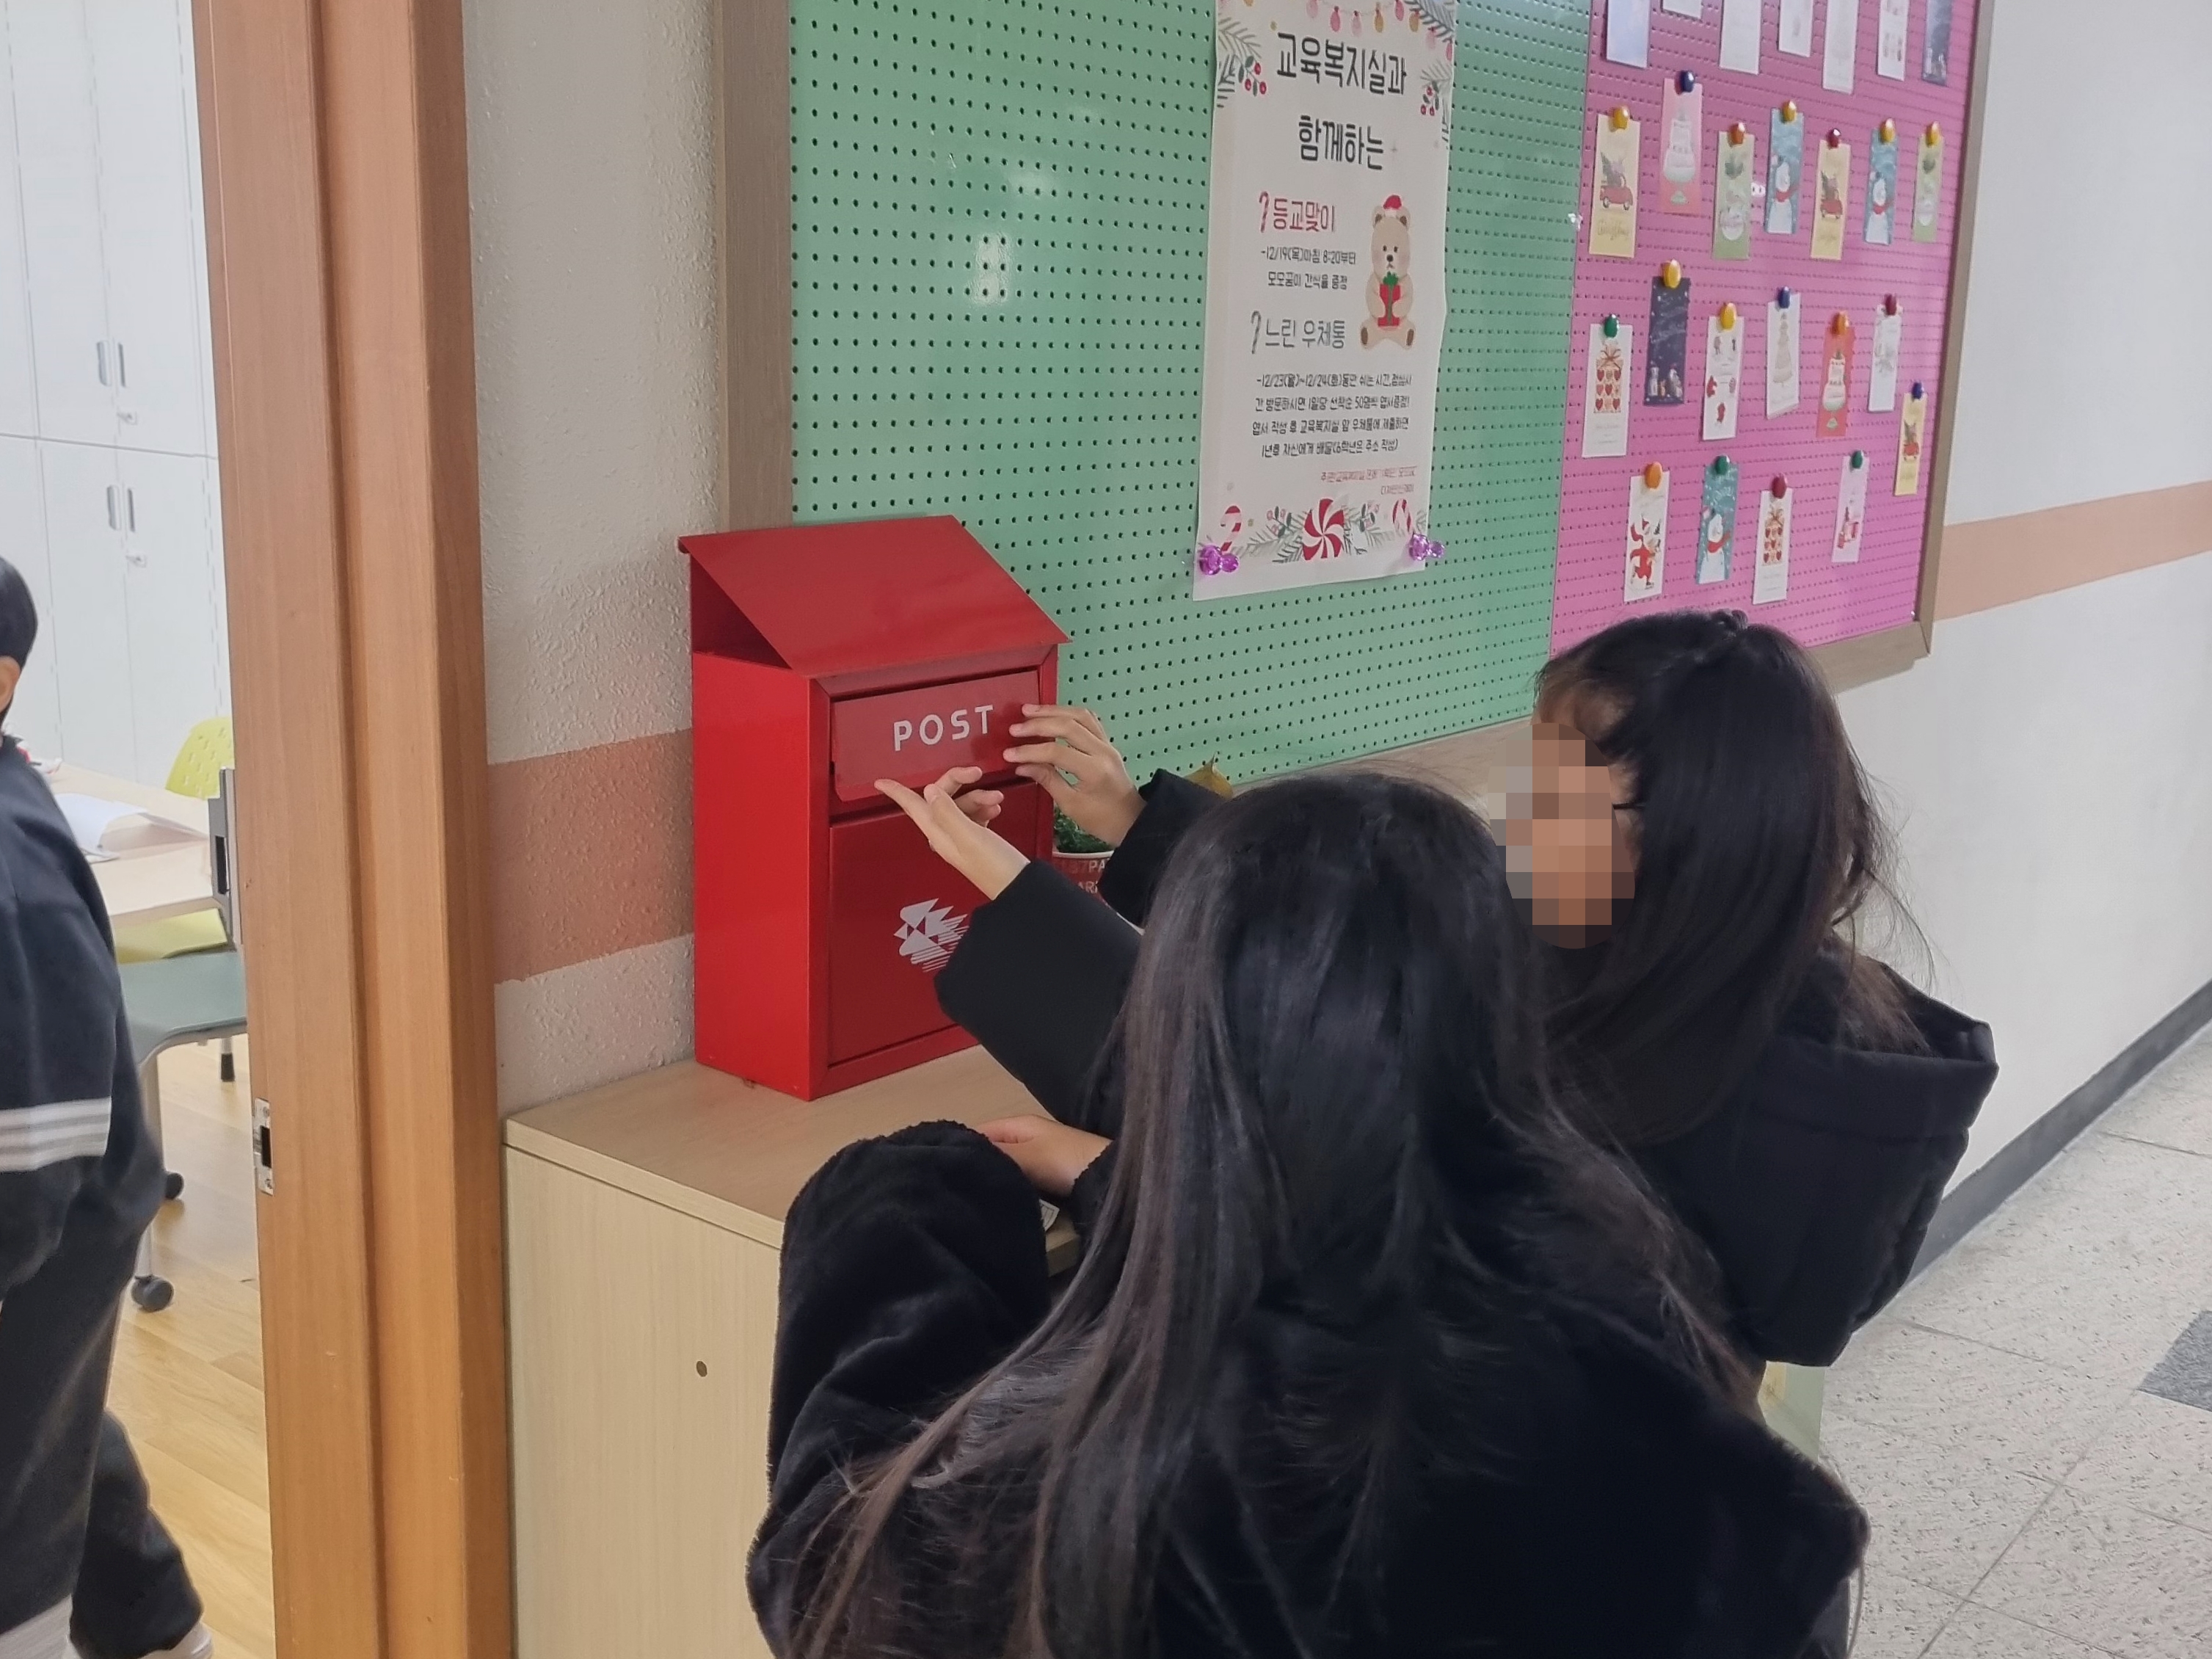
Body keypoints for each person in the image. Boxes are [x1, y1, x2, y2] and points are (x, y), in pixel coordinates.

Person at [754, 773, 1866, 1658]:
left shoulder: (1163, 1491)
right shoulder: (1655, 1342)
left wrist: (907, 1191)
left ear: (1183, 1041)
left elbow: (837, 1570)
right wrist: (1117, 1182)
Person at [925, 609, 1997, 1373]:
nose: (1514, 828)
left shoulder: (1641, 1098)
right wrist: (1130, 817)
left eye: (1559, 803)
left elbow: (1365, 1269)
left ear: (1694, 842)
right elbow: (1374, 913)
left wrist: (1118, 1179)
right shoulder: (1707, 969)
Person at [0, 559, 211, 1659]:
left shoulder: (13, 888)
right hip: (58, 1225)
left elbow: (23, 1187)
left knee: (44, 1455)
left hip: (51, 1226)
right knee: (70, 1442)